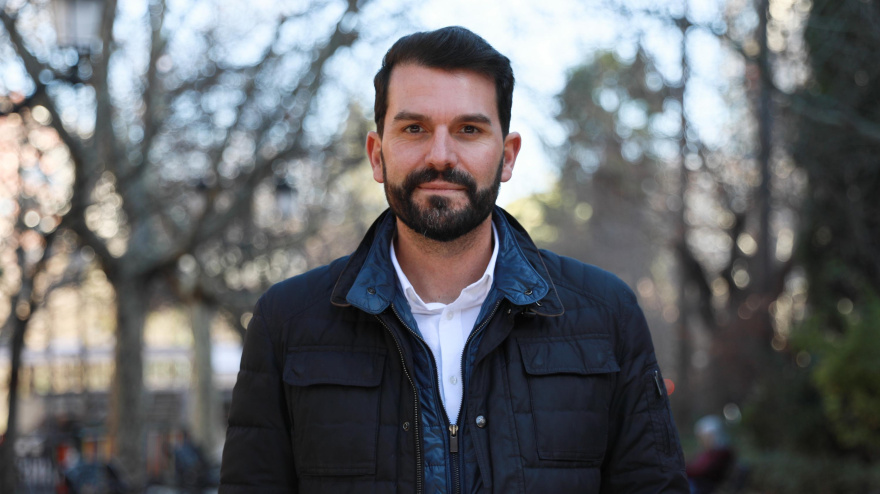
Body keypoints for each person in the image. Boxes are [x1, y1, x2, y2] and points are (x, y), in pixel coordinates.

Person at [219, 26, 688, 493]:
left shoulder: (607, 316)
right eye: (414, 128)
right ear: (377, 155)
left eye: (468, 129)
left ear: (506, 157)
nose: (440, 155)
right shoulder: (286, 322)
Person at [686, 416, 736, 494]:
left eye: (704, 437)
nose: (702, 441)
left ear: (713, 436)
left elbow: (701, 470)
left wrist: (683, 470)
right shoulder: (712, 451)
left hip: (703, 486)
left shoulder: (720, 453)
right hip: (700, 484)